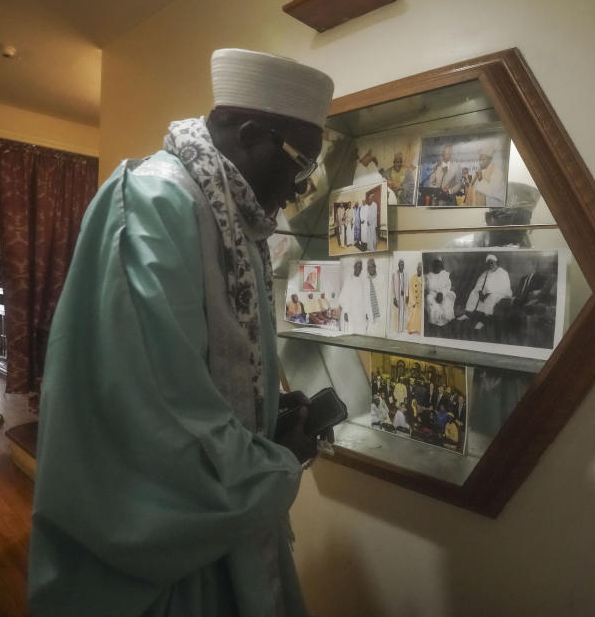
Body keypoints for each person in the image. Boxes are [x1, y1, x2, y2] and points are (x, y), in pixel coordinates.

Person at [29, 48, 334, 617]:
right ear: (251, 135)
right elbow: (153, 425)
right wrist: (276, 462)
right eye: (301, 165)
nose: (300, 189)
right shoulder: (153, 205)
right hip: (170, 564)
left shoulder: (236, 219)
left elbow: (226, 376)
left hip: (234, 527)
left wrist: (273, 413)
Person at [458, 253, 512, 330]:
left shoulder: (503, 272)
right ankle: (468, 314)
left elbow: (504, 286)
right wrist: (480, 292)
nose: (490, 264)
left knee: (490, 298)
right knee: (474, 293)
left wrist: (488, 293)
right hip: (485, 292)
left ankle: (483, 320)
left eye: (492, 262)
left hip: (499, 293)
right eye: (488, 263)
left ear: (495, 262)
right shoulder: (486, 272)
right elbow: (479, 283)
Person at [424, 256, 456, 328]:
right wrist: (435, 295)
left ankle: (445, 320)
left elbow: (448, 286)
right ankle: (435, 321)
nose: (437, 267)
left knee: (448, 300)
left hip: (444, 294)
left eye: (439, 265)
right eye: (435, 265)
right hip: (433, 295)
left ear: (441, 266)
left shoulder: (444, 274)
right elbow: (427, 288)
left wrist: (442, 294)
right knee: (430, 299)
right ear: (433, 266)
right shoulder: (428, 276)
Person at [390, 258, 409, 333]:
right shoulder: (394, 275)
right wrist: (394, 298)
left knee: (403, 312)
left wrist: (407, 295)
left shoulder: (406, 274)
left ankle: (402, 329)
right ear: (398, 265)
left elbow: (407, 285)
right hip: (397, 297)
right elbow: (392, 287)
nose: (402, 266)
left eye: (403, 264)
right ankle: (396, 329)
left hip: (403, 297)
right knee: (396, 312)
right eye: (400, 264)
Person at [406, 261, 423, 335]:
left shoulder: (424, 278)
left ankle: (419, 330)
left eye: (421, 269)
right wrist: (412, 301)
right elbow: (410, 290)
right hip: (414, 301)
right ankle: (412, 329)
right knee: (413, 315)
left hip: (421, 302)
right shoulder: (413, 278)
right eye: (419, 268)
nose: (419, 270)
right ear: (417, 269)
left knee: (420, 316)